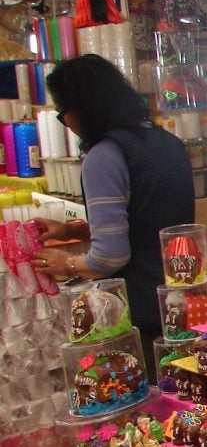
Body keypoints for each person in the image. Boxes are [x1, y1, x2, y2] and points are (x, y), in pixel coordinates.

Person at [30, 54, 195, 356]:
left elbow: (109, 258)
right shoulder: (167, 142)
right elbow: (148, 217)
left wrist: (66, 264)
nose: (64, 121)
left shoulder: (104, 156)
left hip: (141, 313)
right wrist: (71, 229)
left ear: (82, 109)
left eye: (62, 112)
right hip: (184, 298)